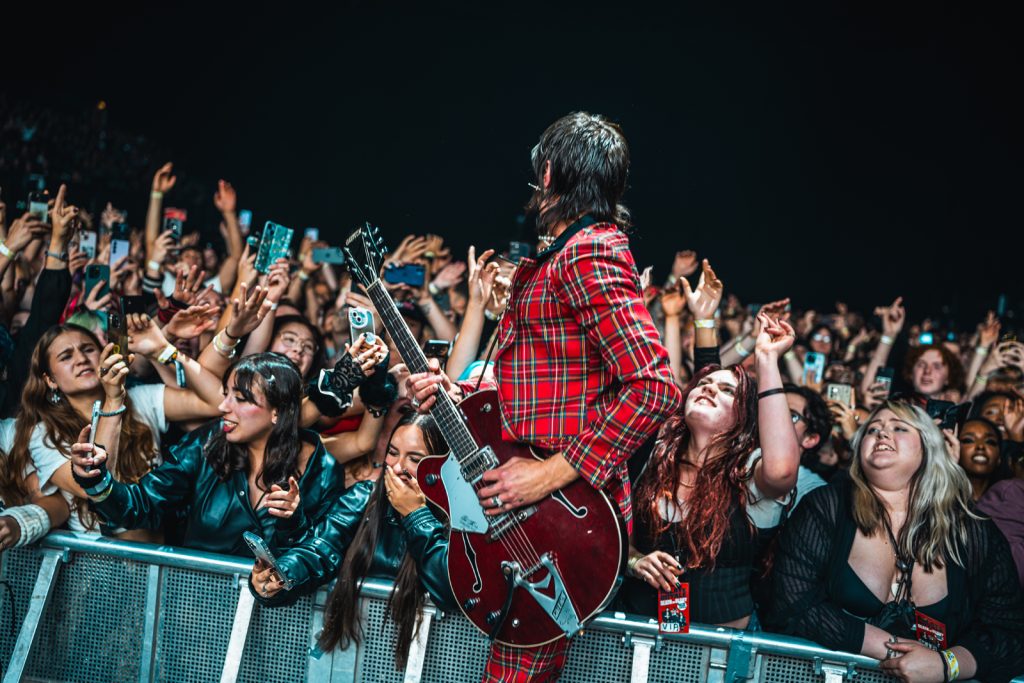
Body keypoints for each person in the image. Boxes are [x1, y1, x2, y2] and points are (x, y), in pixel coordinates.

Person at [407, 111, 681, 681]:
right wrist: (455, 393)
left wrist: (549, 473)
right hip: (532, 508)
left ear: (550, 171)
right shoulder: (563, 252)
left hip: (555, 513)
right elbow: (548, 388)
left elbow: (654, 388)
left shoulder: (588, 253)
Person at [766, 401, 1024, 682]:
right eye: (872, 429)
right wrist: (890, 651)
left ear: (928, 447)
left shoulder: (972, 531)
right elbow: (789, 603)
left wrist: (945, 664)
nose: (882, 434)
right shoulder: (828, 507)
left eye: (899, 427)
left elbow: (1009, 634)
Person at [69, 351, 384, 563]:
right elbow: (140, 507)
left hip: (272, 624)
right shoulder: (208, 445)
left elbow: (314, 558)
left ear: (278, 413)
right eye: (227, 394)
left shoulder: (321, 468)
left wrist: (294, 520)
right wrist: (96, 479)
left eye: (241, 399)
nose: (223, 407)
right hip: (192, 609)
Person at [616, 313, 800, 629]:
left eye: (727, 391)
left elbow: (783, 470)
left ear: (746, 420)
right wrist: (634, 561)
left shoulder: (748, 475)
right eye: (704, 384)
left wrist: (767, 358)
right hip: (638, 635)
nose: (709, 389)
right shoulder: (652, 456)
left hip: (718, 656)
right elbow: (615, 536)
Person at [255, 410, 454, 669]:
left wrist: (415, 516)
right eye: (392, 453)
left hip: (425, 662)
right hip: (353, 652)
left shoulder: (460, 520)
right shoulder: (364, 497)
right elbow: (321, 548)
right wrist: (282, 575)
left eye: (414, 459)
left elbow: (449, 590)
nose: (396, 467)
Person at [957, 417, 1007, 501]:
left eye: (990, 442)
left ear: (999, 457)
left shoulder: (1011, 498)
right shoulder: (940, 498)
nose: (981, 446)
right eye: (968, 440)